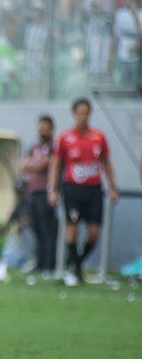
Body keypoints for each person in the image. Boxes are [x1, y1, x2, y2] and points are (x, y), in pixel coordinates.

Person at [48, 98, 119, 286]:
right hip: (72, 188)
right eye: (80, 112)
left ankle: (75, 262)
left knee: (94, 233)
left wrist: (113, 186)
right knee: (72, 231)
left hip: (94, 189)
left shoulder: (99, 137)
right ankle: (77, 271)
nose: (83, 116)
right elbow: (56, 164)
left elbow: (106, 162)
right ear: (74, 114)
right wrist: (53, 189)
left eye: (86, 112)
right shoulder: (65, 138)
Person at [19, 115, 57, 277]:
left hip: (45, 193)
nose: (42, 130)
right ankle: (40, 263)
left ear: (51, 129)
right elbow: (22, 165)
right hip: (32, 193)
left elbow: (44, 165)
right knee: (37, 230)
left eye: (45, 127)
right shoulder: (33, 147)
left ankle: (50, 265)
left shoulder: (54, 147)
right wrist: (34, 164)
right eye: (40, 127)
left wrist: (33, 165)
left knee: (48, 230)